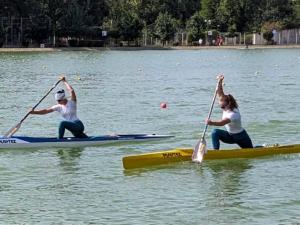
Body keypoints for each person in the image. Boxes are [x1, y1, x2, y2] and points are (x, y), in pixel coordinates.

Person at [205, 75, 253, 150]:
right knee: (215, 132)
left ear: (226, 103)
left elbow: (222, 123)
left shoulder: (233, 113)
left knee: (251, 150)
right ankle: (216, 152)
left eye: (220, 101)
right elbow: (220, 92)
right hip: (230, 136)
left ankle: (263, 148)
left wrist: (211, 122)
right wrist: (220, 81)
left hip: (241, 137)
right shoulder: (225, 107)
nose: (219, 101)